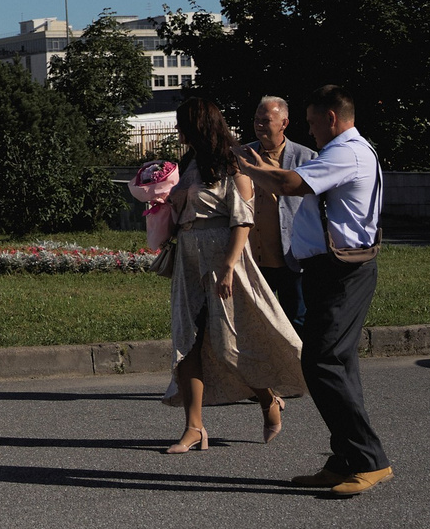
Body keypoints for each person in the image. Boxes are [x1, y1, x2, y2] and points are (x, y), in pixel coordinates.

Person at [237, 83, 392, 497]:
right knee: (337, 364)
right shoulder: (345, 150)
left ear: (331, 119)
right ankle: (345, 459)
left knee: (323, 362)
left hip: (342, 272)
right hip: (330, 269)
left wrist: (250, 168)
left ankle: (368, 460)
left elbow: (289, 184)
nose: (310, 131)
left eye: (310, 122)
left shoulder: (345, 152)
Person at [161, 97, 305, 453]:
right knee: (187, 342)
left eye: (182, 123)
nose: (178, 130)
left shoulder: (232, 161)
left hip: (223, 259)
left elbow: (243, 218)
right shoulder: (190, 160)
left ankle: (267, 398)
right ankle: (194, 428)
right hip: (189, 258)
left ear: (198, 124)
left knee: (229, 344)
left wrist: (227, 267)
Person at [243, 95, 313, 331]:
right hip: (253, 258)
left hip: (291, 258)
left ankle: (300, 367)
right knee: (255, 323)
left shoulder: (306, 158)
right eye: (256, 119)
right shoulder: (243, 156)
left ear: (284, 123)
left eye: (266, 120)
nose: (259, 125)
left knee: (296, 320)